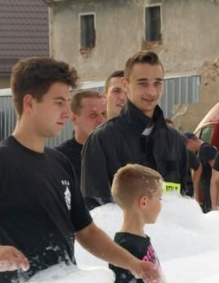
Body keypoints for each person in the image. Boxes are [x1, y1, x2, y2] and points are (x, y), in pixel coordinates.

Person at [0, 57, 161, 283]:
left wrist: (134, 264)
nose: (67, 113)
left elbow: (86, 232)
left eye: (67, 102)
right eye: (58, 103)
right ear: (30, 103)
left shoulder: (59, 162)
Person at [80, 51, 190, 208]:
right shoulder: (102, 140)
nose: (152, 92)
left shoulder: (176, 141)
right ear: (126, 85)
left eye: (157, 83)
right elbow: (96, 207)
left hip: (170, 231)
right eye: (142, 83)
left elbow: (186, 201)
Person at [109, 164, 164, 283]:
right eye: (160, 198)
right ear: (144, 202)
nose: (161, 204)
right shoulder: (125, 248)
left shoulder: (141, 239)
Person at [55, 90, 106, 185]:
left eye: (103, 114)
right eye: (93, 115)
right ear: (74, 119)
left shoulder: (115, 152)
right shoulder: (60, 158)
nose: (101, 120)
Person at [184, 132, 218, 212]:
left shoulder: (205, 149)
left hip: (210, 188)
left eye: (186, 146)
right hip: (208, 187)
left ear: (189, 142)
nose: (187, 149)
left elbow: (217, 169)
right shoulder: (204, 148)